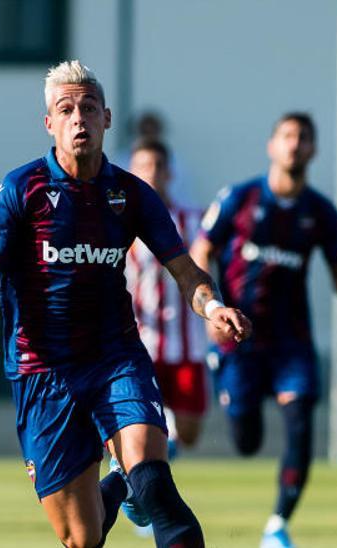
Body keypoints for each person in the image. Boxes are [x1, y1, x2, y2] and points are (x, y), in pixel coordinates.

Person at [0, 60, 251, 548]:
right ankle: (121, 485)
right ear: (50, 124)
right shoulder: (21, 190)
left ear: (106, 118)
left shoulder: (132, 194)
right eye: (66, 109)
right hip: (42, 372)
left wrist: (212, 307)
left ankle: (135, 479)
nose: (78, 117)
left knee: (157, 485)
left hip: (114, 357)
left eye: (87, 107)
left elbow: (186, 272)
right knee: (82, 538)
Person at [191, 112, 337, 548]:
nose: (294, 145)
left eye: (303, 138)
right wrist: (212, 309)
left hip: (292, 341)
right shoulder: (240, 198)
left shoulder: (322, 213)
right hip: (239, 339)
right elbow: (201, 250)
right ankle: (227, 382)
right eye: (287, 136)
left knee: (301, 422)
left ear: (313, 150)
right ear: (272, 145)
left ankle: (277, 525)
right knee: (246, 441)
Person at [125, 139, 210, 459]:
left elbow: (209, 266)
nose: (152, 173)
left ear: (169, 173)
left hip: (187, 343)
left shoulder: (194, 220)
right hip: (139, 342)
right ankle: (140, 480)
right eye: (144, 166)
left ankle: (157, 458)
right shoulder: (119, 222)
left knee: (188, 433)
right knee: (140, 429)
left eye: (158, 166)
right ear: (132, 171)